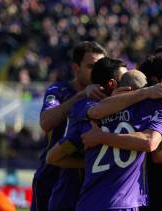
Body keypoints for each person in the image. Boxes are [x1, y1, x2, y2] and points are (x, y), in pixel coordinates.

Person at [46, 57, 162, 210]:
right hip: (124, 202)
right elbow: (149, 142)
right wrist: (146, 92)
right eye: (124, 78)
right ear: (113, 84)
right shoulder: (142, 111)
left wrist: (91, 155)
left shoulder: (85, 114)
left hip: (89, 203)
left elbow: (53, 157)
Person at [31, 41, 107, 211]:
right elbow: (46, 122)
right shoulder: (59, 90)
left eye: (100, 66)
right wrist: (80, 97)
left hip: (88, 177)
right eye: (91, 66)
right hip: (53, 174)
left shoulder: (107, 95)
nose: (97, 72)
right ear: (76, 68)